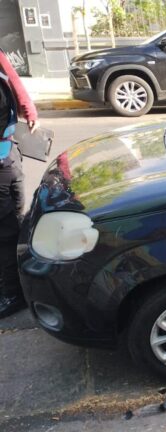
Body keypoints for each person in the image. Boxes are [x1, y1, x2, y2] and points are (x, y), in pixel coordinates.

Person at [0, 48, 38, 319]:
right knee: (15, 222)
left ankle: (14, 293)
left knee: (8, 229)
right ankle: (21, 285)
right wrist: (28, 109)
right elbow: (14, 81)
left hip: (6, 157)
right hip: (9, 154)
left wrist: (28, 109)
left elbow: (12, 79)